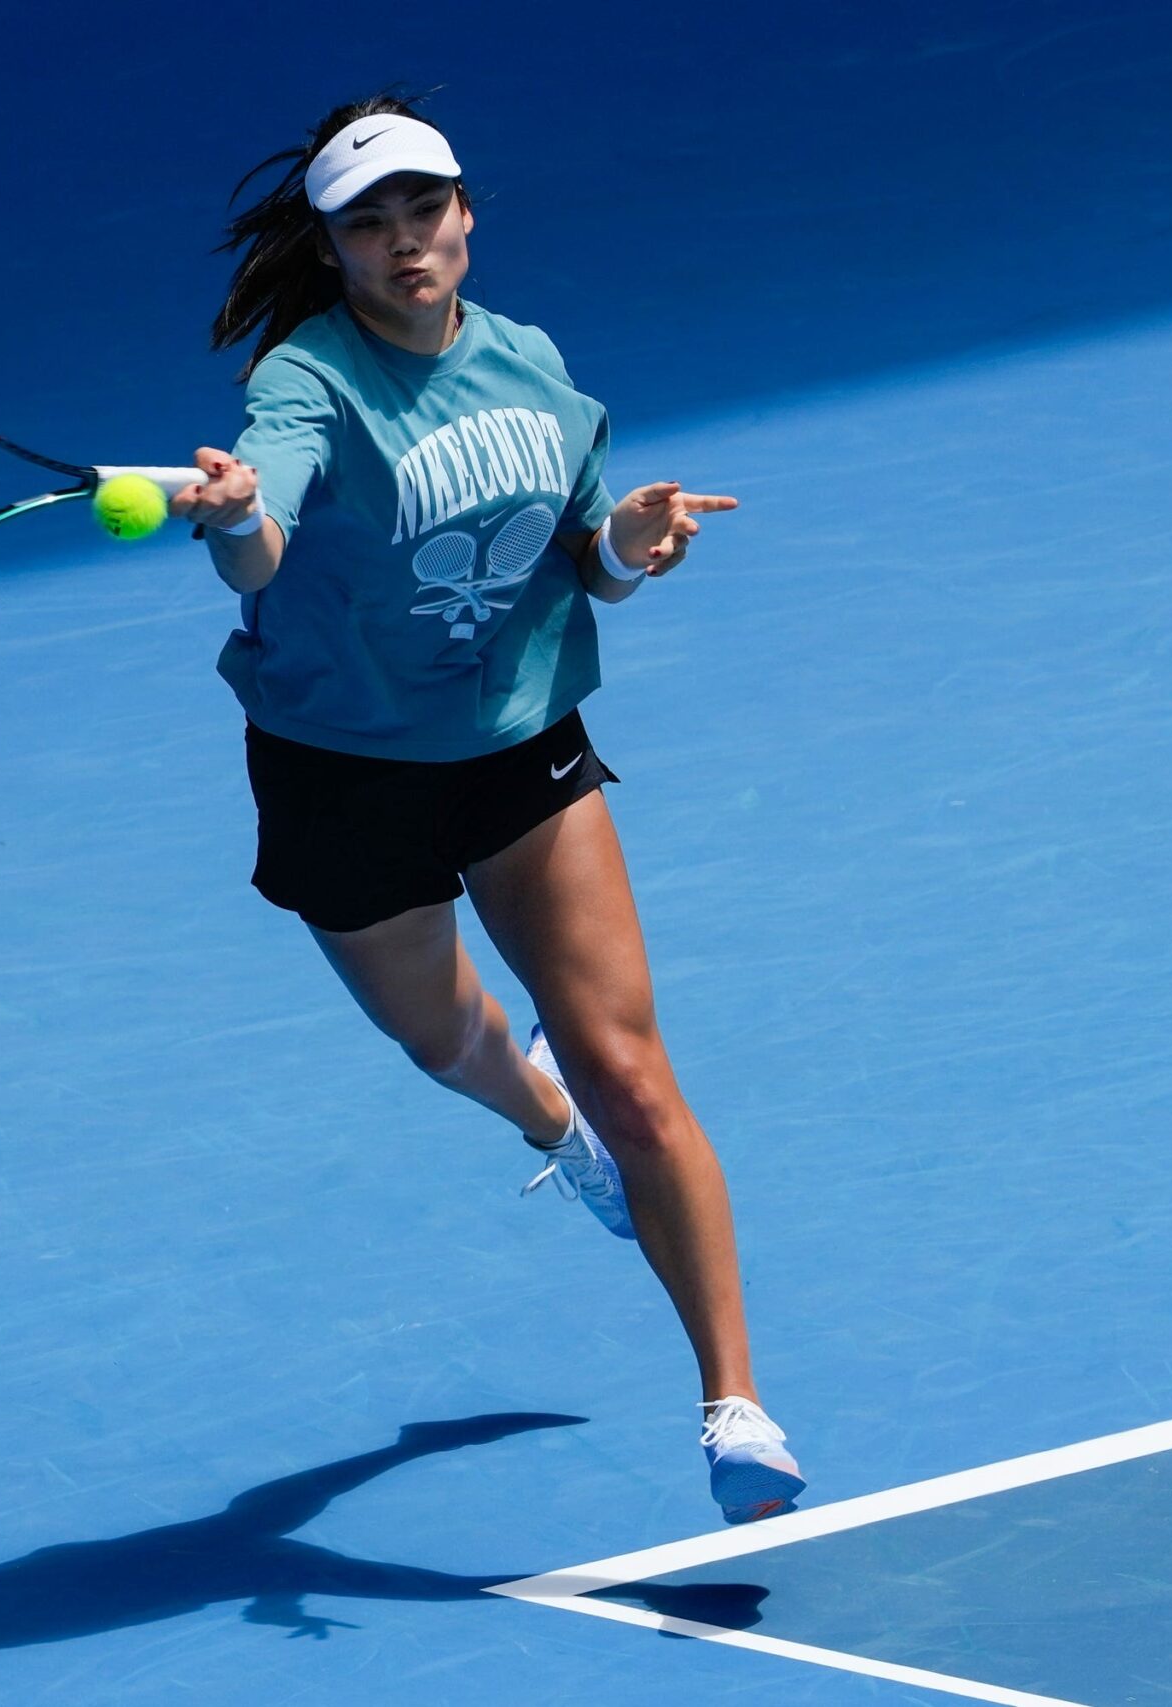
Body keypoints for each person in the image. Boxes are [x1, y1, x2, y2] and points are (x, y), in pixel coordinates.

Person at [168, 94, 805, 1525]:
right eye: (369, 224)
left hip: (519, 749)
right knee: (440, 1033)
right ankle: (538, 1120)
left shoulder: (530, 366)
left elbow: (579, 554)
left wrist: (632, 547)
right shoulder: (305, 383)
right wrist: (233, 517)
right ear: (331, 248)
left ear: (466, 216)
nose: (405, 243)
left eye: (423, 211)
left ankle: (736, 1406)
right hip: (342, 769)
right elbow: (263, 547)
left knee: (635, 1072)